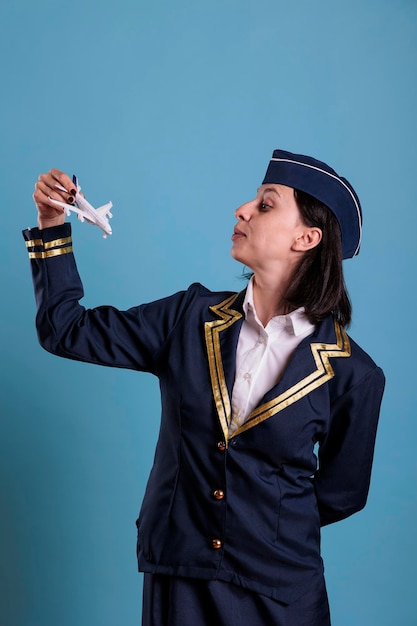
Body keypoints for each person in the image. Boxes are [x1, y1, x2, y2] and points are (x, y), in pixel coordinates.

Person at [24, 149, 385, 626]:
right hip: (180, 577)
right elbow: (65, 329)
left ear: (307, 237)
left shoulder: (355, 374)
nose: (243, 210)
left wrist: (265, 528)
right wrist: (52, 224)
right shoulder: (188, 317)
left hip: (280, 592)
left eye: (266, 204)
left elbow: (341, 494)